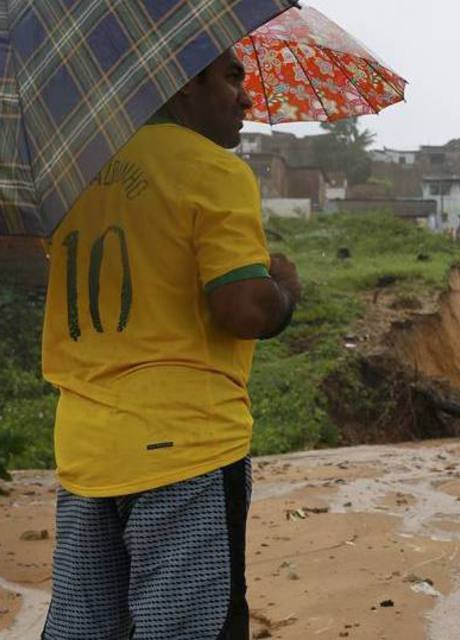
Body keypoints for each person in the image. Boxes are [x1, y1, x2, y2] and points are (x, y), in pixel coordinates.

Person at [40, 47, 300, 639]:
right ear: (184, 82)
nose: (247, 96)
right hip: (186, 453)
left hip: (85, 454)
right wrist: (284, 287)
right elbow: (243, 309)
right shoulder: (212, 171)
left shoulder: (76, 174)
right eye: (232, 76)